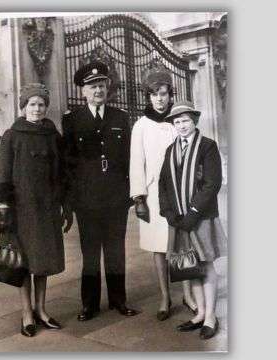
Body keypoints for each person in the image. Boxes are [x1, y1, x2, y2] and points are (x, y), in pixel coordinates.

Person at [0, 83, 73, 337]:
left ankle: (41, 309)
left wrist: (66, 206)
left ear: (46, 107)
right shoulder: (12, 135)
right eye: (32, 104)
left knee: (43, 262)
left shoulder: (52, 135)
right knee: (23, 263)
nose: (37, 109)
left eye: (41, 104)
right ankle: (27, 313)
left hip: (48, 208)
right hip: (22, 209)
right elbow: (2, 173)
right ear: (24, 108)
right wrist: (3, 207)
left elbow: (63, 174)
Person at [62, 61, 138, 321]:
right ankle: (89, 304)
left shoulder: (120, 117)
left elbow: (129, 158)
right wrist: (72, 201)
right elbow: (68, 162)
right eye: (93, 86)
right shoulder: (72, 120)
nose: (98, 90)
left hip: (116, 197)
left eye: (102, 85)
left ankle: (119, 300)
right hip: (87, 200)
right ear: (83, 91)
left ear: (108, 88)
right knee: (90, 253)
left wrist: (130, 193)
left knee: (116, 251)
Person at [129, 66, 197, 321]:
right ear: (148, 96)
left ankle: (188, 294)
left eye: (164, 93)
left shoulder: (177, 122)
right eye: (155, 94)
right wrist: (139, 199)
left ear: (171, 95)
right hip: (153, 194)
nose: (160, 98)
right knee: (158, 247)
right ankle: (165, 297)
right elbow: (137, 162)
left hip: (181, 192)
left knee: (183, 242)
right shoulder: (141, 126)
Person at [159, 100, 226, 339]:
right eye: (177, 122)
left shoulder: (207, 146)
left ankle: (210, 317)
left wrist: (193, 213)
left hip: (200, 217)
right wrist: (168, 212)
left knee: (205, 265)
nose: (182, 125)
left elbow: (212, 184)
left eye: (185, 120)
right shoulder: (170, 150)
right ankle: (199, 314)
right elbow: (163, 184)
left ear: (194, 121)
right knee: (189, 267)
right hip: (178, 219)